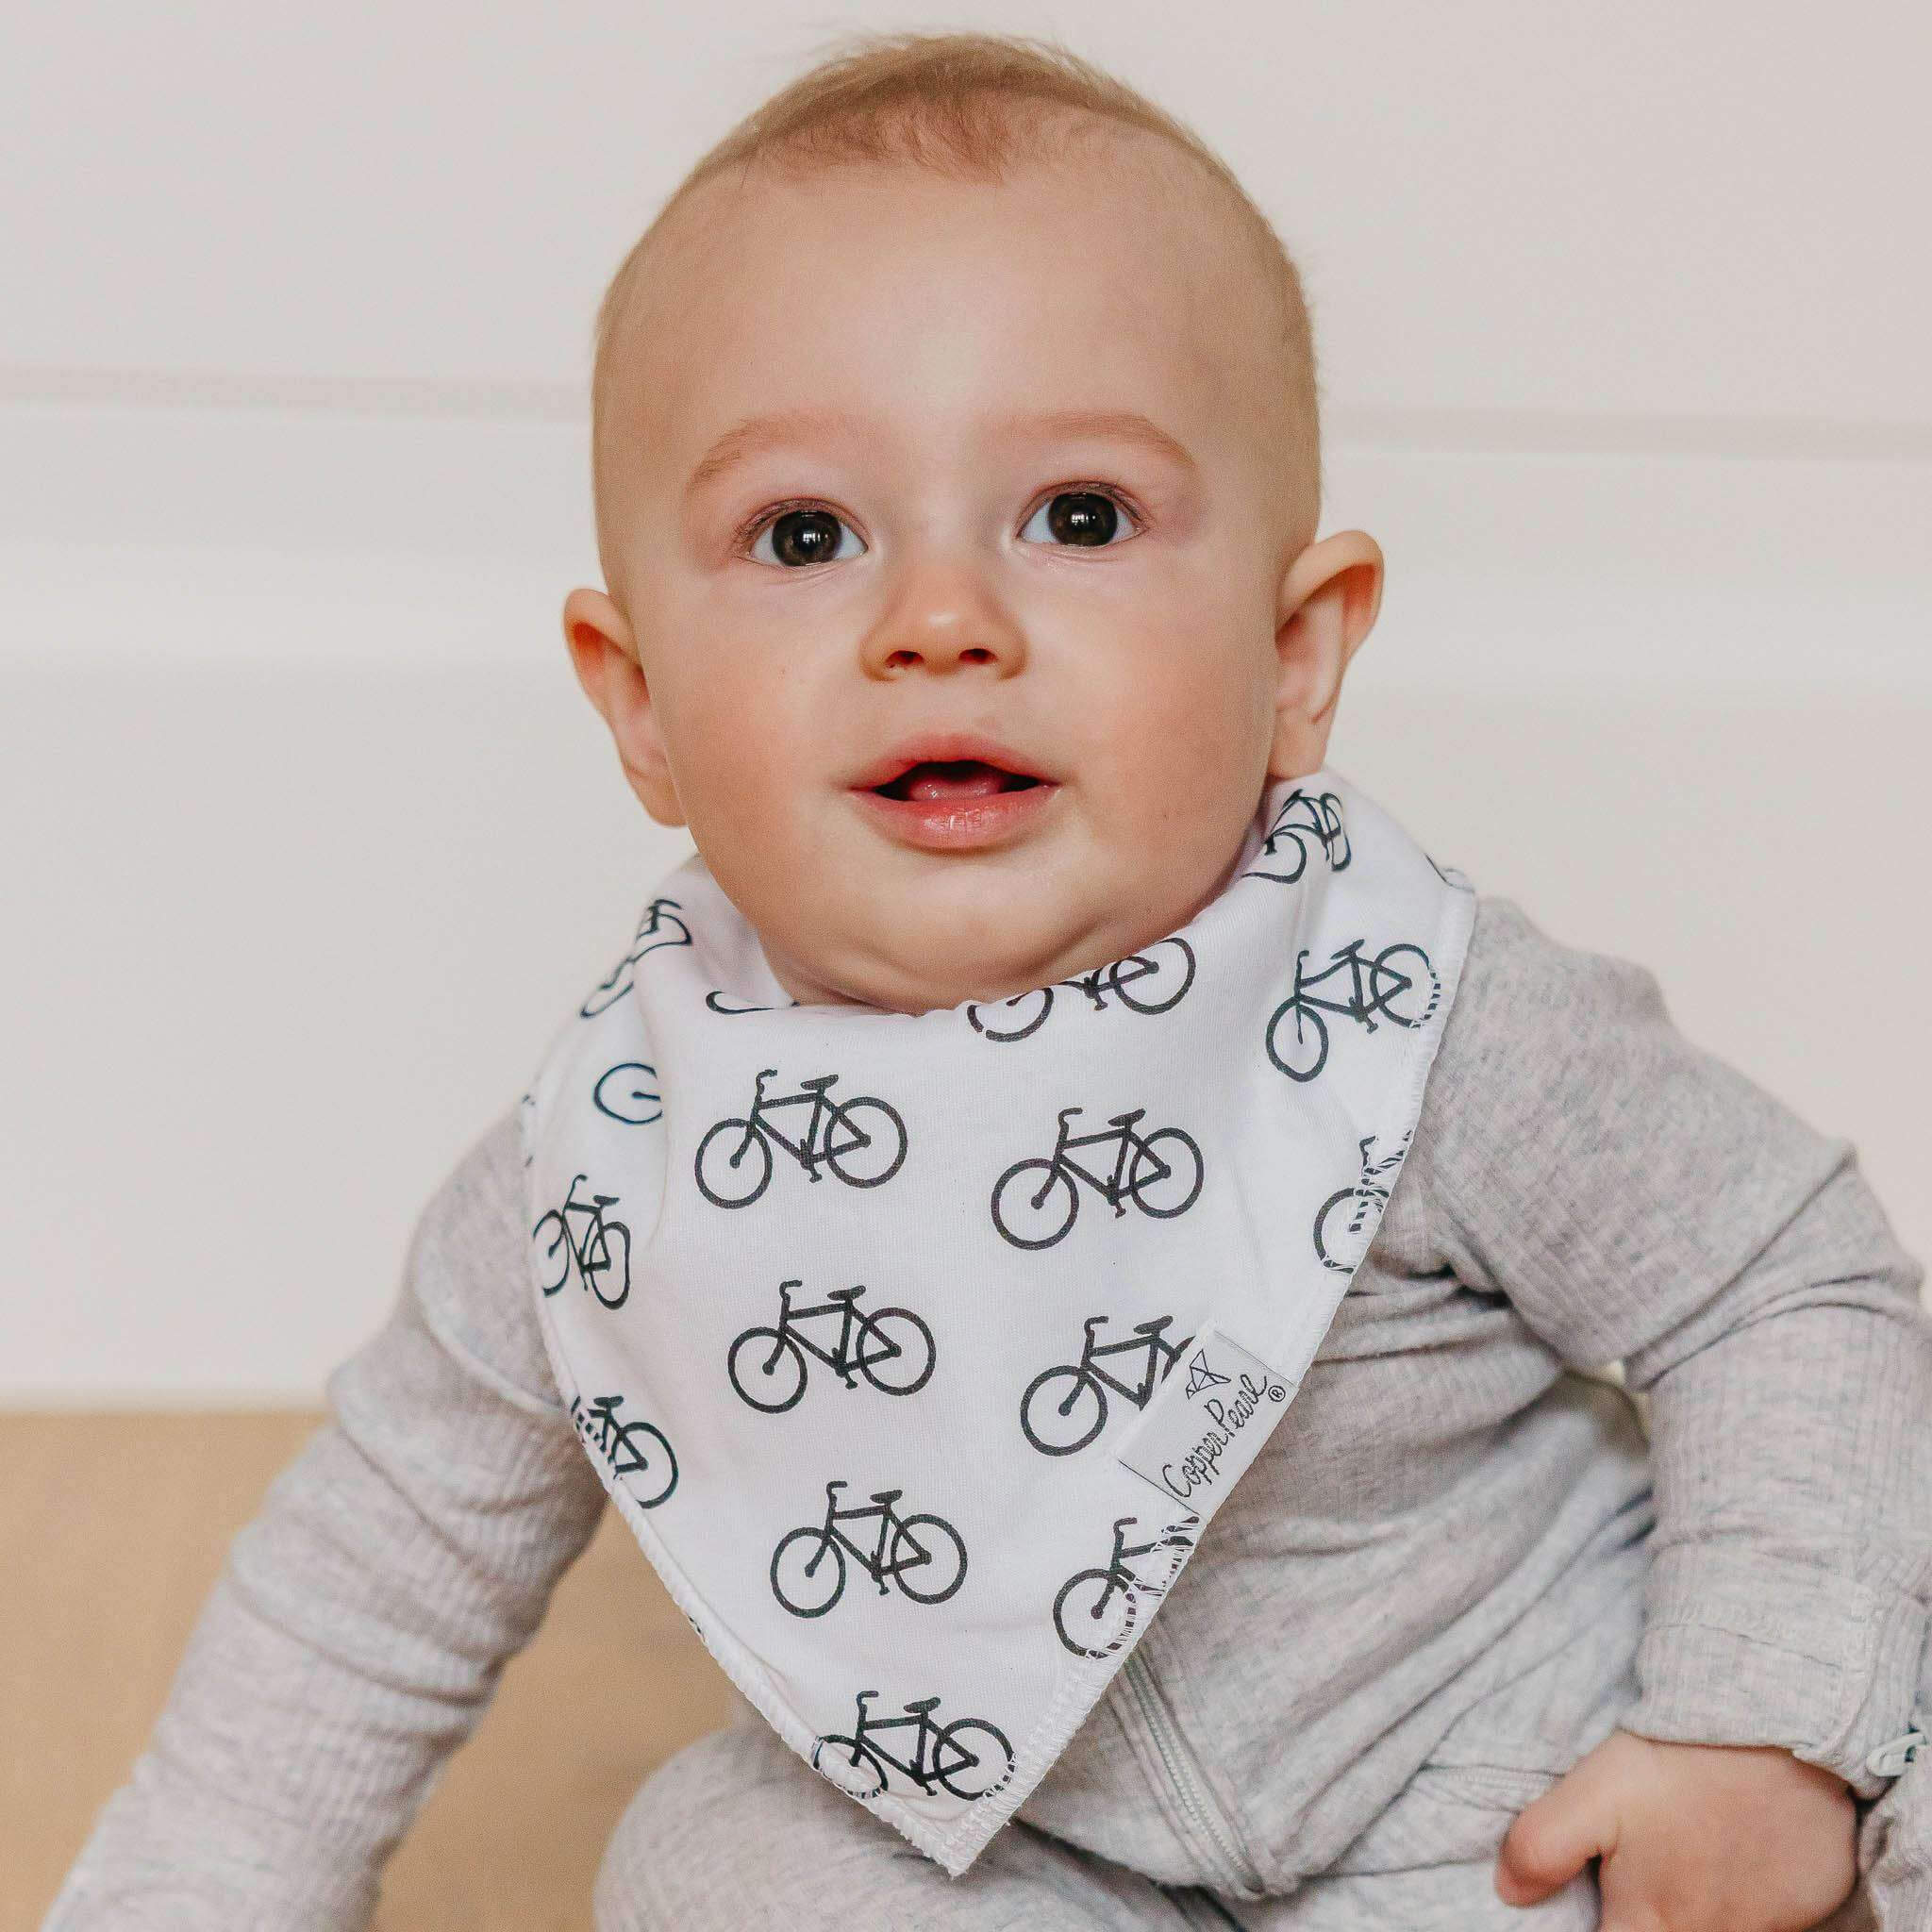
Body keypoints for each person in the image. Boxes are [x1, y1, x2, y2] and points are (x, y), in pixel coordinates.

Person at [45, 28, 1932, 1932]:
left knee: (1889, 1709)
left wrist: (1752, 1727)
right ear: (640, 708)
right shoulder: (617, 1158)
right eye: (805, 535)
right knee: (706, 1864)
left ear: (1293, 656)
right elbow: (372, 1573)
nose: (939, 621)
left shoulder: (1407, 1012)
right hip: (1017, 1844)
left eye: (1078, 518)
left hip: (1518, 1767)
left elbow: (1783, 1287)